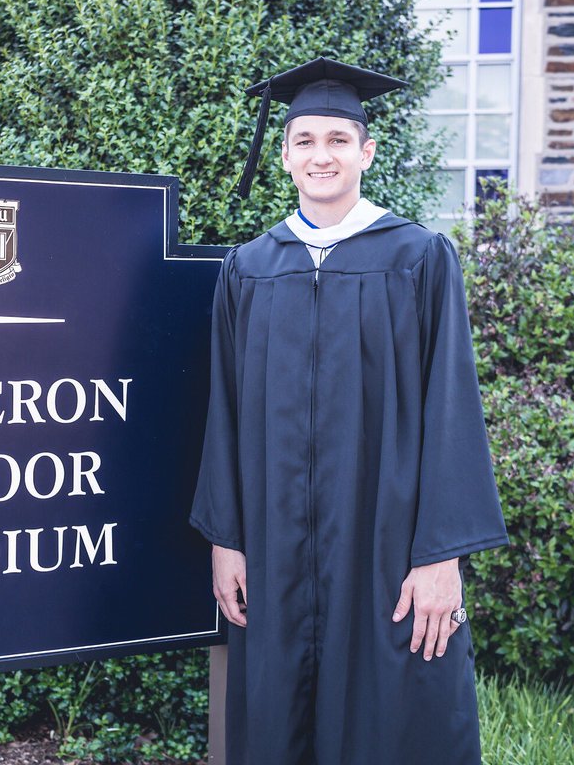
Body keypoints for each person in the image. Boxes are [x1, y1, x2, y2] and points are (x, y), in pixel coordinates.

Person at [189, 57, 509, 764]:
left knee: (393, 711)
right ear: (284, 156)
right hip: (272, 544)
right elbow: (226, 412)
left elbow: (451, 409)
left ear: (367, 151)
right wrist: (226, 537)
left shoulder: (418, 258)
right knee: (278, 717)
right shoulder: (250, 268)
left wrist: (441, 556)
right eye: (304, 141)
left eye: (338, 140)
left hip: (386, 543)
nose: (321, 156)